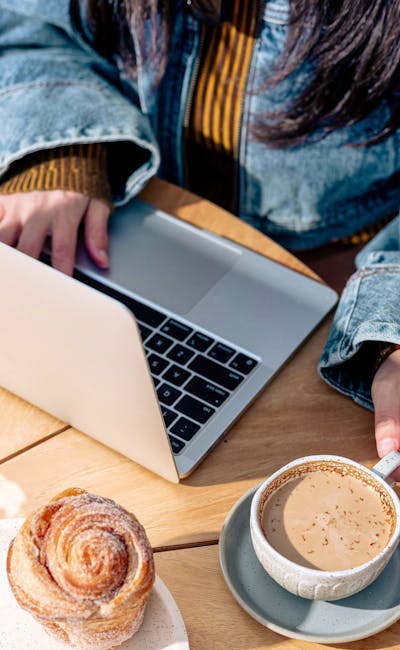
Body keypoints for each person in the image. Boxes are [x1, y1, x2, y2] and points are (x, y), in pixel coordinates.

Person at [1, 0, 400, 469]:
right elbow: (24, 20)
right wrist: (62, 143)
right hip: (124, 202)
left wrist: (390, 322)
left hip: (346, 275)